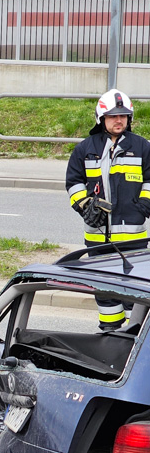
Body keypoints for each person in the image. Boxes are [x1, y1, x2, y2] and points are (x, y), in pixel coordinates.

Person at [66, 89, 150, 330]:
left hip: (134, 239)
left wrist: (143, 206)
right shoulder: (85, 148)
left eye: (123, 116)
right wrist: (85, 206)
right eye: (113, 116)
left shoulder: (143, 147)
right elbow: (73, 182)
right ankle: (110, 335)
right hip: (98, 238)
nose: (119, 120)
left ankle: (133, 338)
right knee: (105, 293)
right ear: (101, 118)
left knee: (134, 293)